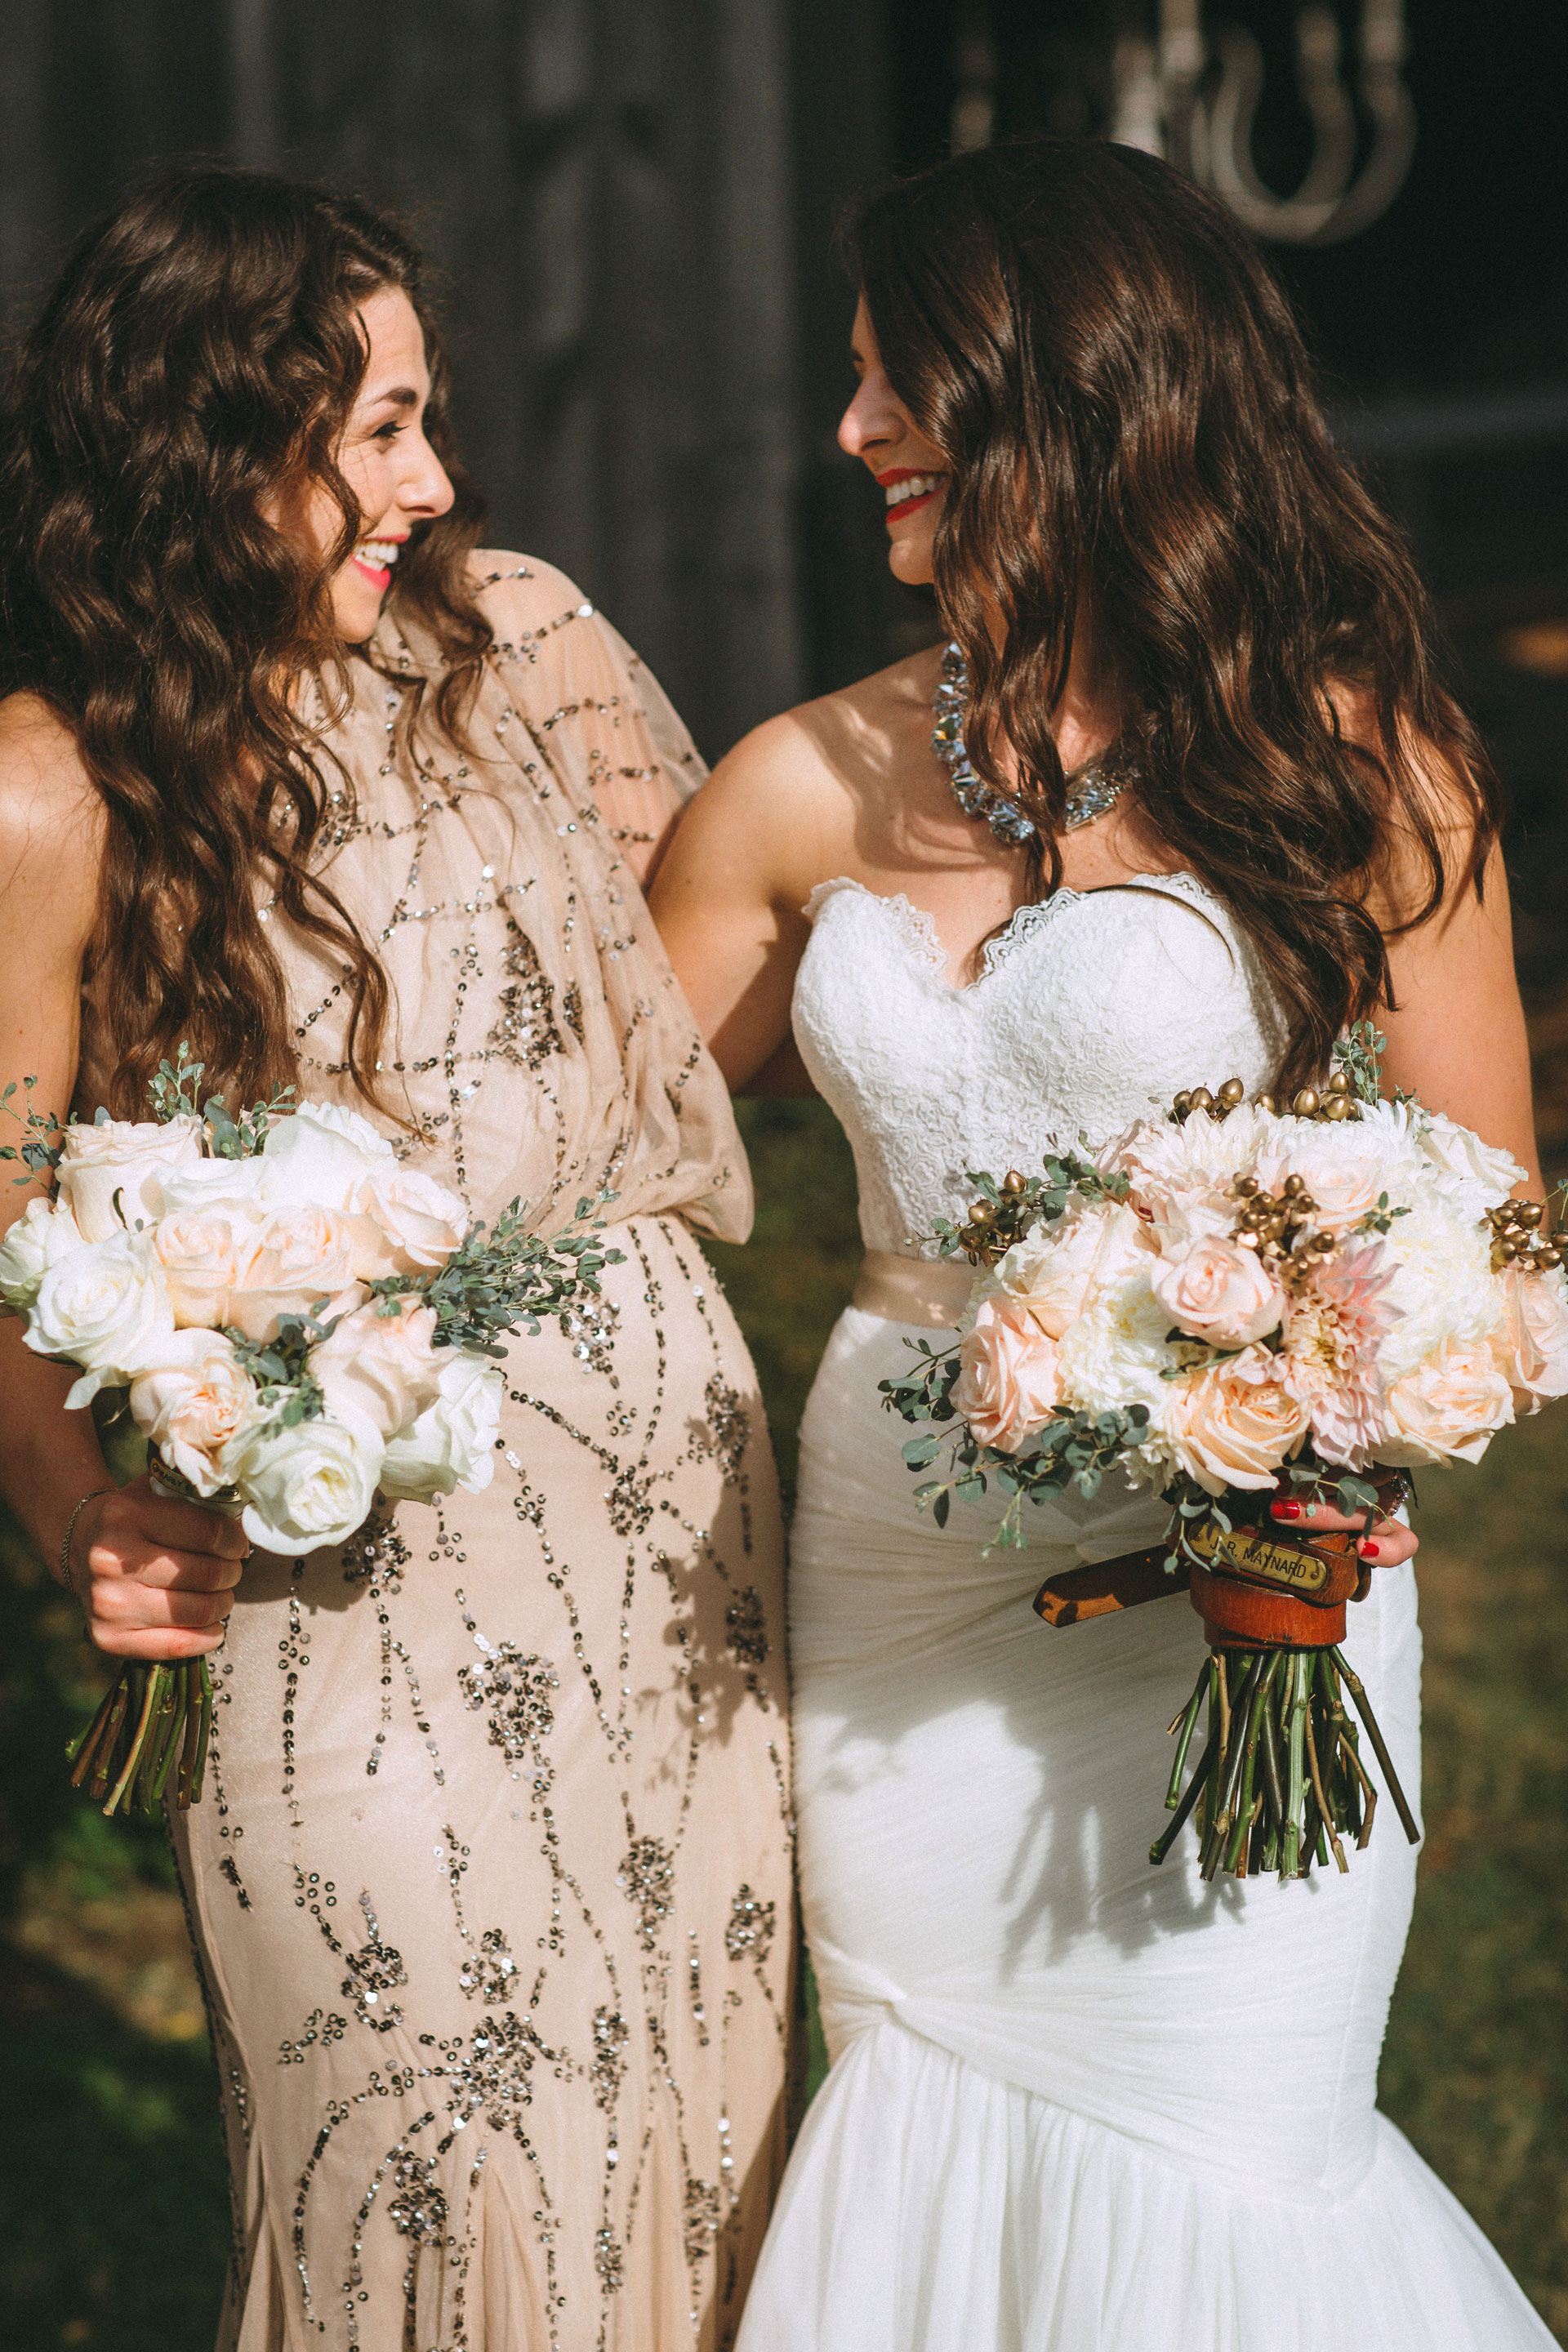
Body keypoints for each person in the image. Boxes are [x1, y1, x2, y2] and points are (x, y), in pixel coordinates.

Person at [651, 140, 1555, 2350]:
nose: (848, 434)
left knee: (1231, 2159)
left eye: (898, 388)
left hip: (1246, 1591)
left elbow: (1497, 1239)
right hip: (902, 1600)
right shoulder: (791, 793)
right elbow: (574, 1137)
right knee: (926, 2123)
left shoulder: (1352, 769)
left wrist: (1314, 1455)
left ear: (1072, 399)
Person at [0, 168, 791, 2351]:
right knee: (431, 2157)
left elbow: (726, 989)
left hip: (659, 1528)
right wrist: (91, 1525)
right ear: (192, 434)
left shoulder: (517, 642)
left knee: (689, 2144)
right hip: (332, 1563)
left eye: (425, 418)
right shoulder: (49, 797)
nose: (430, 482)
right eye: (369, 431)